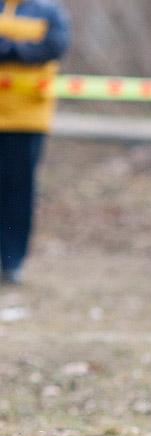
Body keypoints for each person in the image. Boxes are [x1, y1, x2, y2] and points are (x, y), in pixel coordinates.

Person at [0, 0, 69, 285]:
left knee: (18, 191)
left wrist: (12, 50)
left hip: (27, 118)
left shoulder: (49, 11)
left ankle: (12, 261)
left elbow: (55, 45)